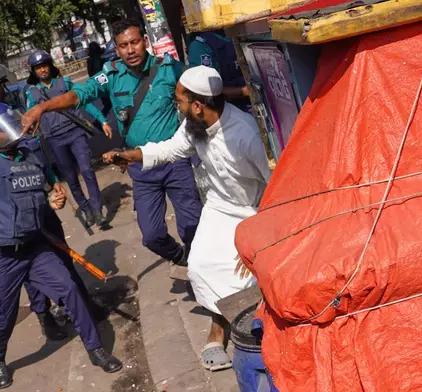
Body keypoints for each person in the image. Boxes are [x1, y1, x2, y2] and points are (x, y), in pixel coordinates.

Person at [0, 91, 121, 388]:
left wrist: (54, 199)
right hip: (1, 258)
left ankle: (96, 349)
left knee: (70, 291)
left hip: (36, 249)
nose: (12, 131)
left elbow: (46, 192)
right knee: (3, 318)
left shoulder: (29, 158)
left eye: (12, 124)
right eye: (3, 128)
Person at [102, 66, 270, 371]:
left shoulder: (245, 135)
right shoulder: (193, 125)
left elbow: (276, 187)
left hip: (254, 213)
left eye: (178, 101)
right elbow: (170, 149)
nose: (174, 107)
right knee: (200, 265)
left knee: (247, 270)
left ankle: (252, 330)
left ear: (197, 105)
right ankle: (221, 326)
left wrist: (260, 238)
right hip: (219, 208)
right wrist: (131, 155)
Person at [23, 19, 203, 266]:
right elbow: (79, 95)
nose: (130, 50)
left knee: (193, 226)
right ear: (116, 49)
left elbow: (200, 94)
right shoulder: (111, 75)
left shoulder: (168, 69)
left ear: (145, 42)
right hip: (141, 167)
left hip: (175, 161)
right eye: (123, 45)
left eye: (135, 42)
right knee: (151, 236)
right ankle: (180, 257)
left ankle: (200, 269)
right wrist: (42, 107)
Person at [0, 60, 72, 341]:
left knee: (58, 253)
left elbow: (33, 151)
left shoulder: (14, 109)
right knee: (27, 260)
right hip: (6, 204)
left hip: (36, 192)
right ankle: (44, 314)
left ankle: (69, 304)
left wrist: (51, 180)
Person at [26, 50, 112, 227]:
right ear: (33, 72)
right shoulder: (31, 93)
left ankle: (98, 210)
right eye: (38, 68)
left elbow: (85, 101)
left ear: (50, 66)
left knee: (87, 170)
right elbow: (29, 117)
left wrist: (103, 121)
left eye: (44, 66)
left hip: (75, 133)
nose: (42, 70)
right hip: (55, 140)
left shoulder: (64, 83)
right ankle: (86, 209)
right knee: (71, 179)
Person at [187, 30, 250, 111]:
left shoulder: (243, 32)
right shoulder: (201, 46)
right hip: (229, 110)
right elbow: (207, 90)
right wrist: (245, 91)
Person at [86, 42, 113, 120]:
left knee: (107, 104)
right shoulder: (102, 60)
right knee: (110, 103)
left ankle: (101, 120)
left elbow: (90, 74)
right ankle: (101, 121)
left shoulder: (89, 61)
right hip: (105, 83)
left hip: (97, 83)